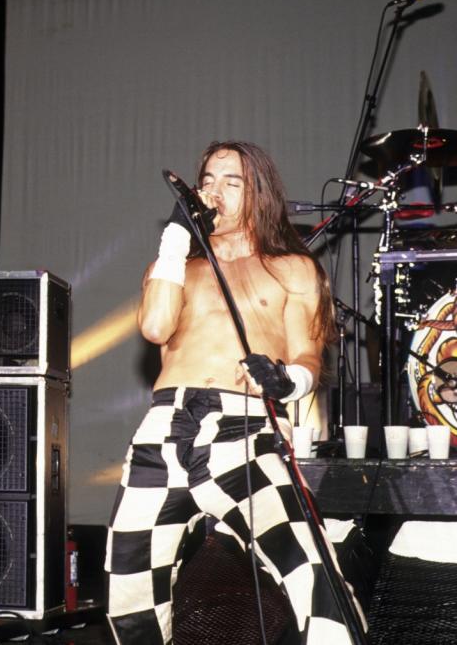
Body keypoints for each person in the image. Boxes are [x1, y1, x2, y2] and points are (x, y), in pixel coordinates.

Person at [105, 141, 365, 643]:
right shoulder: (178, 266)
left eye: (232, 182)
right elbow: (156, 327)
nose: (214, 192)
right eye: (207, 181)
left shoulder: (291, 268)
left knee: (313, 571)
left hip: (243, 427)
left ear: (257, 193)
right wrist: (176, 239)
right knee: (129, 589)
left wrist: (289, 379)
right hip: (165, 429)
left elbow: (309, 353)